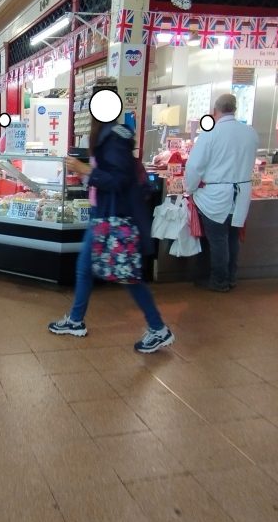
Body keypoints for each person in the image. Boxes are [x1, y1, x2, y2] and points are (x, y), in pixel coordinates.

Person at [48, 115, 174, 353]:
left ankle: (158, 328)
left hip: (115, 217)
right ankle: (75, 320)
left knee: (129, 276)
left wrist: (86, 169)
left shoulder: (114, 137)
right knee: (85, 269)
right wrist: (87, 173)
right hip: (104, 214)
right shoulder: (111, 136)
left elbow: (118, 180)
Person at [185, 92, 260, 291]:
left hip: (215, 196)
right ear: (234, 109)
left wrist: (190, 188)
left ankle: (219, 281)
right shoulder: (250, 132)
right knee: (233, 237)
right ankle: (231, 277)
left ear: (214, 111)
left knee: (217, 239)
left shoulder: (210, 133)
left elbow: (194, 167)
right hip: (241, 192)